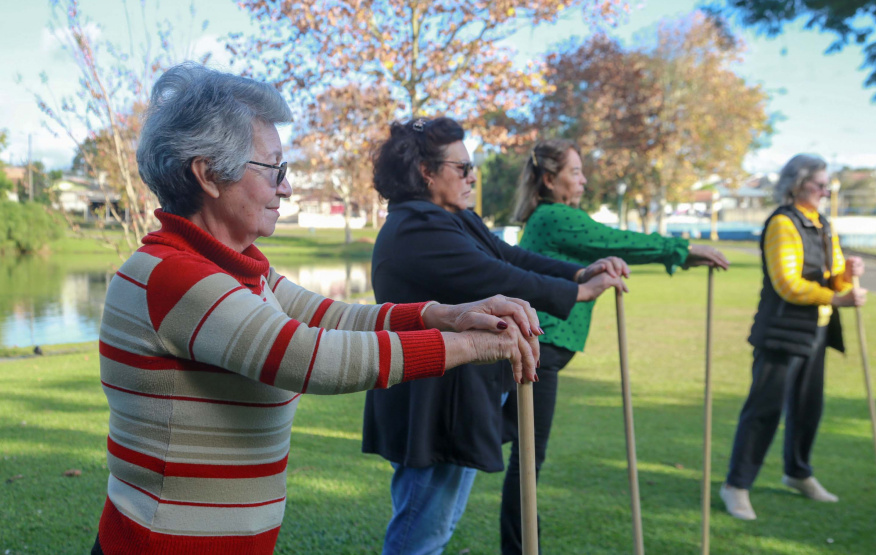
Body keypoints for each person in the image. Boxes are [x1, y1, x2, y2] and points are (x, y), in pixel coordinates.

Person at [91, 64, 541, 555]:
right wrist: (471, 345)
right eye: (274, 169)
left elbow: (330, 317)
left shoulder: (238, 270)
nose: (286, 188)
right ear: (208, 175)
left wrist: (446, 314)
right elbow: (310, 357)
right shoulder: (174, 275)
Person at [361, 118, 628, 555]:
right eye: (462, 168)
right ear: (426, 172)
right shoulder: (416, 227)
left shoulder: (453, 218)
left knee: (436, 523)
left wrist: (580, 271)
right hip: (429, 403)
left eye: (473, 168)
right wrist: (577, 292)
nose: (472, 176)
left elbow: (510, 255)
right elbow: (494, 275)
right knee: (421, 530)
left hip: (454, 396)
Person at [504, 138, 729, 554]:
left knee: (518, 447)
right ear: (550, 180)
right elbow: (613, 241)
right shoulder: (553, 217)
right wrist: (683, 251)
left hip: (544, 350)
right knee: (526, 458)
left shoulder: (551, 216)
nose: (584, 179)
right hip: (540, 350)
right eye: (575, 172)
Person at [719, 154, 866, 521]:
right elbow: (787, 284)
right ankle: (736, 486)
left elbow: (830, 278)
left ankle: (798, 472)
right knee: (764, 410)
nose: (825, 190)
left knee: (808, 407)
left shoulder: (822, 223)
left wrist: (846, 275)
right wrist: (836, 297)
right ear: (797, 184)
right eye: (819, 184)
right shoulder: (782, 223)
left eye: (826, 184)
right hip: (781, 331)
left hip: (816, 329)